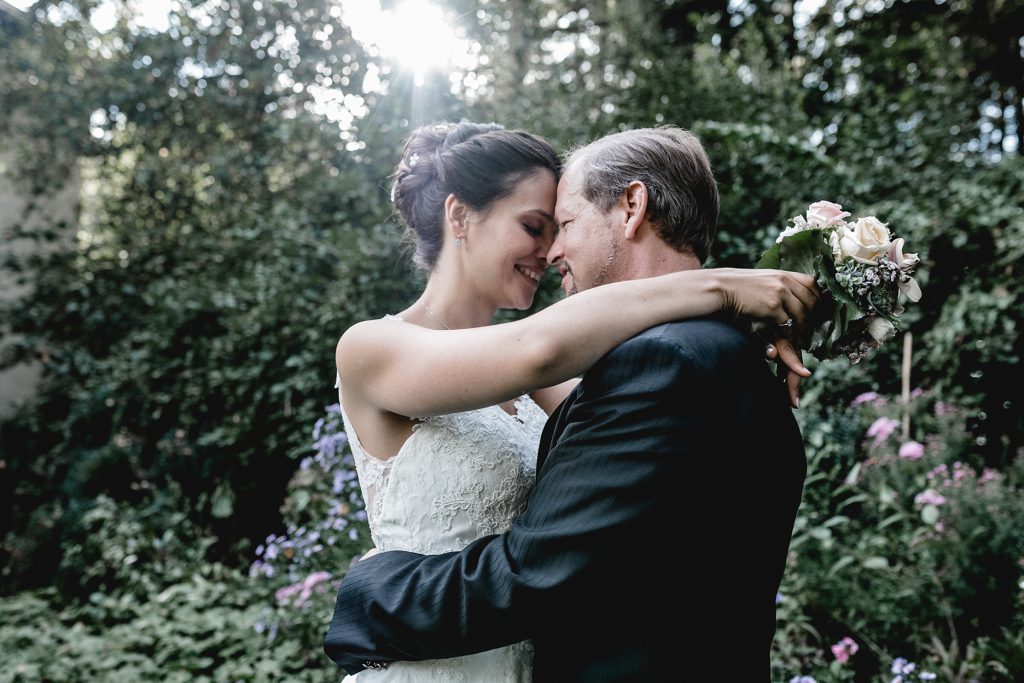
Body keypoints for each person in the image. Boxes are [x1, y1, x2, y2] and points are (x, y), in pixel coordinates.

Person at [326, 122, 818, 681]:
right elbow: (542, 348)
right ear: (459, 217)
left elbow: (584, 371)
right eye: (535, 226)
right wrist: (723, 290)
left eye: (560, 226)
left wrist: (737, 311)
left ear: (632, 207)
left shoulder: (612, 371)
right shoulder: (374, 346)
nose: (549, 251)